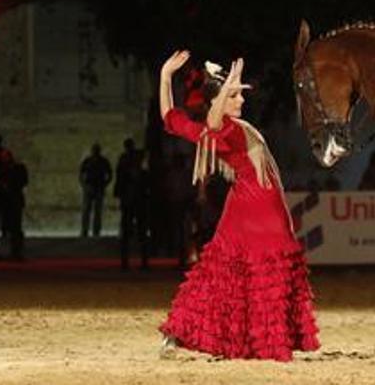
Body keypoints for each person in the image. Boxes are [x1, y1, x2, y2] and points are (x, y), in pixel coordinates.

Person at [157, 50, 319, 362]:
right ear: (219, 101)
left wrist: (165, 76)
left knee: (224, 272)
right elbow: (213, 118)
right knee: (260, 271)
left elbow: (169, 117)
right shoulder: (225, 128)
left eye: (239, 94)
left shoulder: (216, 131)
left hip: (250, 208)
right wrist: (220, 90)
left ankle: (178, 335)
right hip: (257, 211)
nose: (241, 100)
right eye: (234, 95)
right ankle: (261, 342)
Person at [114, 139, 149, 270]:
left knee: (137, 233)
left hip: (135, 202)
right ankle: (129, 261)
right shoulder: (129, 169)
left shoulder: (133, 169)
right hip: (132, 202)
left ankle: (139, 261)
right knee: (132, 232)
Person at [79, 143, 112, 237]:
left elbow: (109, 174)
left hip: (97, 188)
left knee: (96, 211)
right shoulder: (89, 161)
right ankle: (86, 230)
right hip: (91, 187)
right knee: (87, 210)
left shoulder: (102, 161)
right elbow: (81, 173)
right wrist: (84, 185)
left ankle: (94, 231)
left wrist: (105, 184)